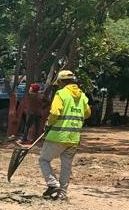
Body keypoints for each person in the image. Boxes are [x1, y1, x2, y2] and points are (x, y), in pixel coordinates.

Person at [38, 70, 91, 201]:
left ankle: (52, 184)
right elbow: (87, 113)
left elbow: (55, 112)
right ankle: (62, 193)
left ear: (61, 82)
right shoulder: (82, 96)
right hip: (74, 138)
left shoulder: (61, 94)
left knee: (43, 160)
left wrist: (48, 123)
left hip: (58, 136)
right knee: (66, 165)